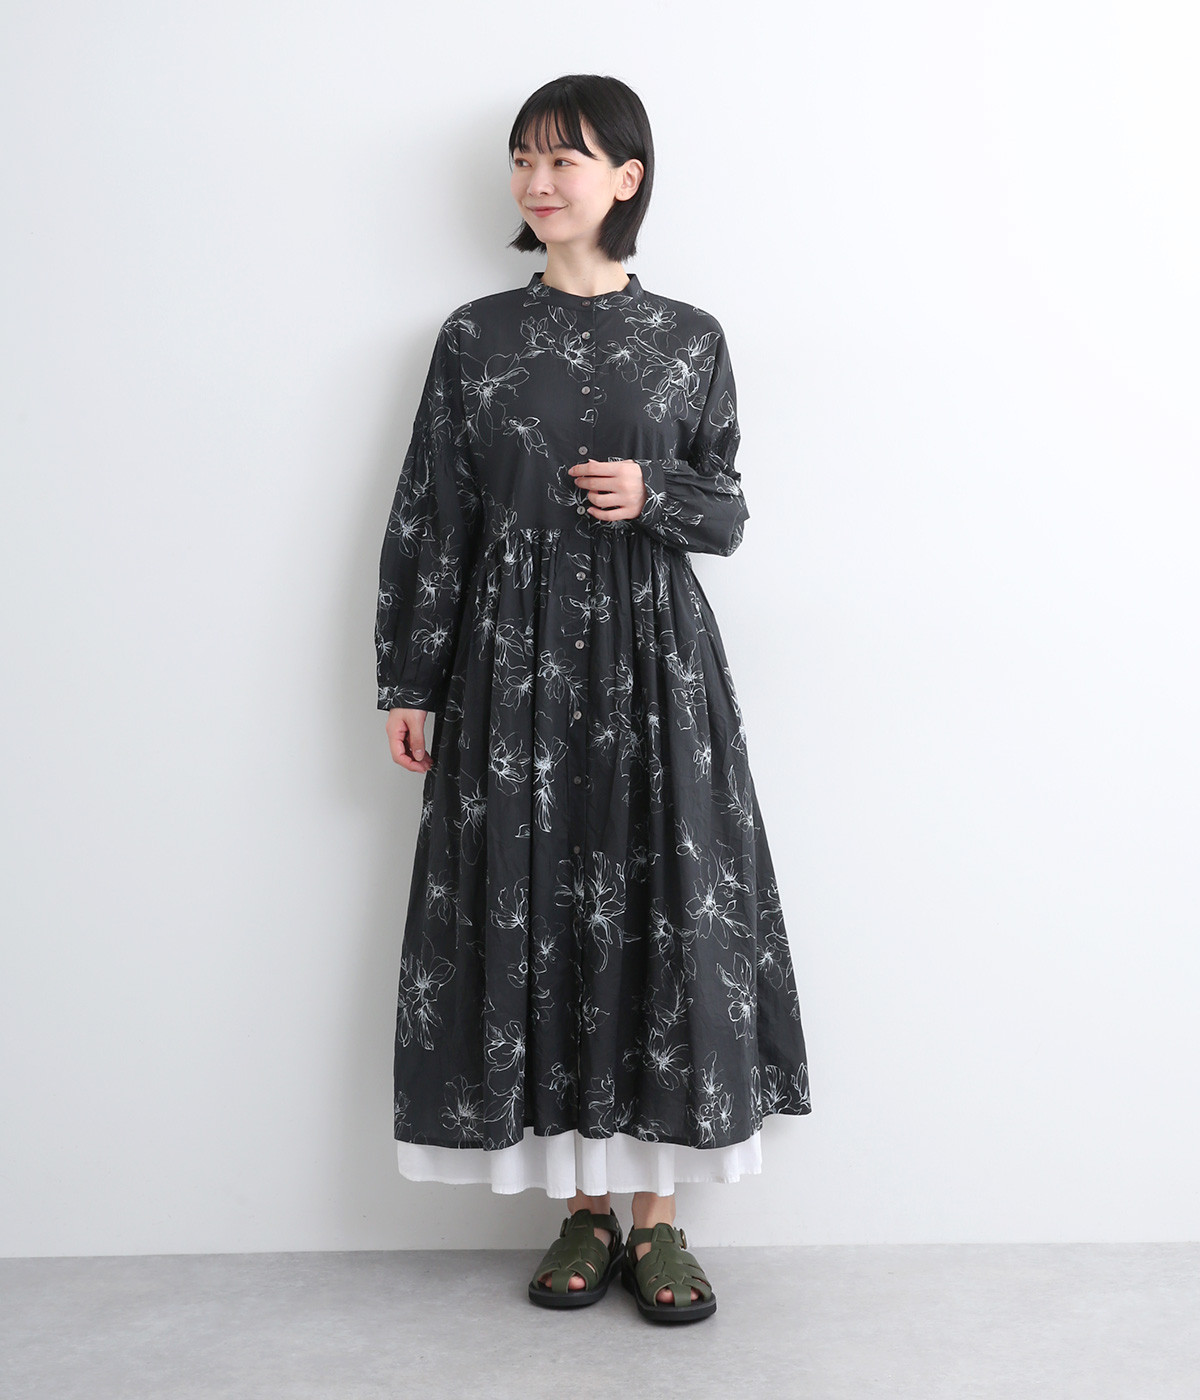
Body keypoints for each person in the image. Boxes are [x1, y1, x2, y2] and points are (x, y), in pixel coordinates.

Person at [376, 73, 811, 1324]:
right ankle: (582, 1211)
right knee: (542, 907)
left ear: (627, 177)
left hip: (656, 664)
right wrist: (409, 676)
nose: (537, 180)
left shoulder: (689, 335)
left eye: (562, 158)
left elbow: (727, 508)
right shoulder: (474, 337)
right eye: (524, 158)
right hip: (510, 665)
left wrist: (653, 493)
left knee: (664, 908)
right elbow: (433, 512)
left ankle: (660, 1222)